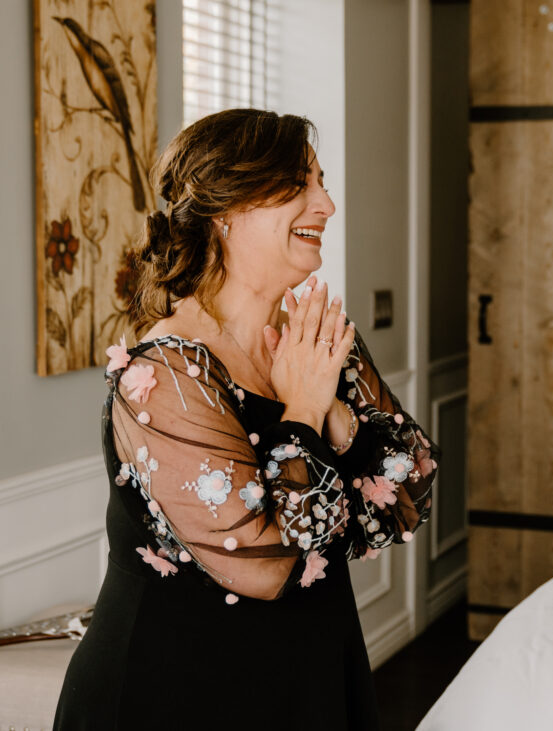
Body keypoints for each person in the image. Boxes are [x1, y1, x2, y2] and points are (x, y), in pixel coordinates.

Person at [54, 109, 437, 730]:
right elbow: (271, 566)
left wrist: (335, 412)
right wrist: (306, 412)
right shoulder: (164, 377)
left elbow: (414, 484)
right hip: (181, 692)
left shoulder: (316, 338)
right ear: (226, 208)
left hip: (312, 673)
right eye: (303, 183)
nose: (328, 204)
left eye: (322, 182)